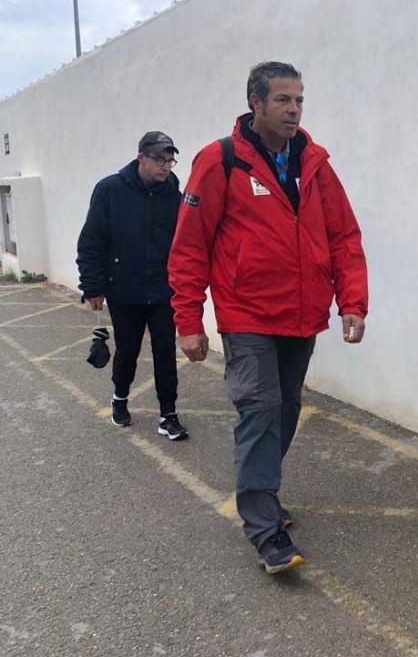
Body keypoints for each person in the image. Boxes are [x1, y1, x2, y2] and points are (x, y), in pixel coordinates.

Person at [168, 61, 368, 574]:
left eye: (299, 99)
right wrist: (188, 319)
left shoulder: (315, 163)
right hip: (247, 314)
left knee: (285, 411)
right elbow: (190, 245)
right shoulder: (221, 161)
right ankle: (263, 528)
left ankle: (262, 494)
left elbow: (344, 236)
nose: (294, 110)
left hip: (301, 316)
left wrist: (352, 301)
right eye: (283, 100)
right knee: (259, 411)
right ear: (255, 102)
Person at [76, 131, 188, 441]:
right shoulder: (109, 190)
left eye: (170, 160)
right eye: (159, 159)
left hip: (164, 289)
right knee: (128, 350)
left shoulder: (173, 194)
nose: (165, 166)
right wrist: (93, 286)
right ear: (141, 158)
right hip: (124, 289)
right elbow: (91, 241)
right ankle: (120, 399)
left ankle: (168, 414)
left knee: (165, 351)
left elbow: (183, 241)